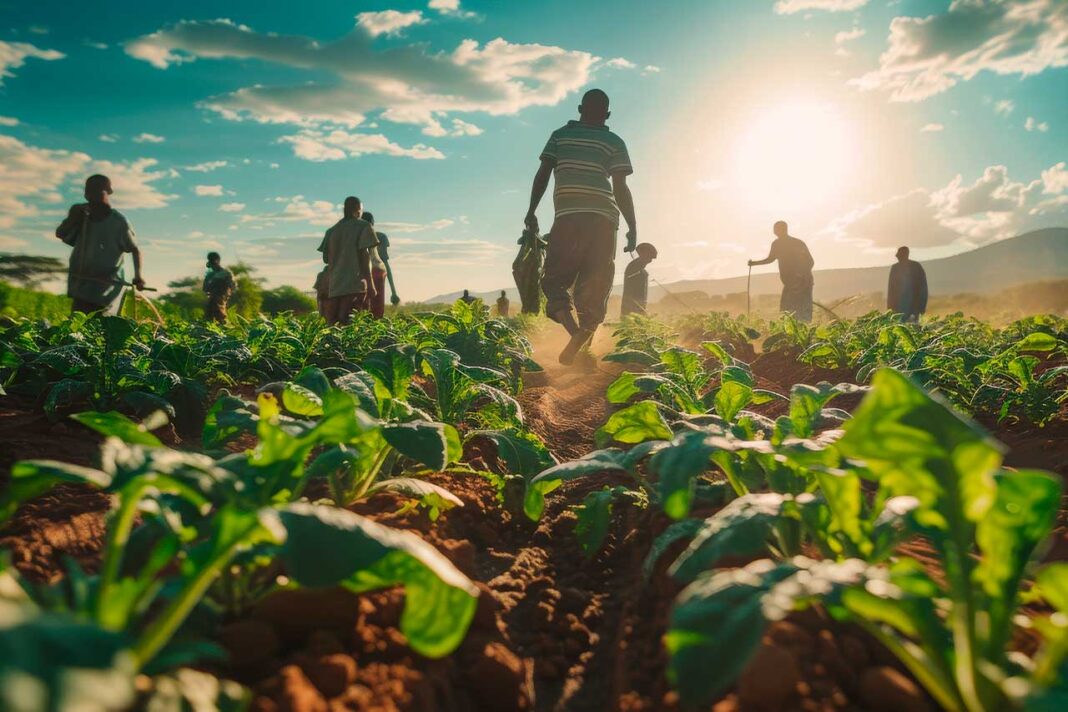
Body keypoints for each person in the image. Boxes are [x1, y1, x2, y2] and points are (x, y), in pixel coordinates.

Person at [525, 88, 637, 365]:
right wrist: (633, 226)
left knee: (553, 282)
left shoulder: (560, 135)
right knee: (596, 285)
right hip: (603, 219)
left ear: (579, 109)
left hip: (569, 217)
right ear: (607, 114)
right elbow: (621, 188)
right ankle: (582, 340)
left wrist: (531, 211)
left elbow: (543, 174)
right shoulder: (614, 141)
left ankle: (575, 335)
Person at [55, 174, 145, 314]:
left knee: (98, 323)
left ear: (108, 192)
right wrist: (73, 217)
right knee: (78, 324)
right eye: (89, 191)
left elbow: (134, 249)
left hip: (106, 286)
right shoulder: (81, 217)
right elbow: (61, 233)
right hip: (82, 283)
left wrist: (138, 276)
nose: (92, 196)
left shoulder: (118, 222)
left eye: (97, 191)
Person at [317, 196, 378, 326]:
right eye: (361, 210)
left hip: (334, 285)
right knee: (350, 322)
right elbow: (364, 255)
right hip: (355, 284)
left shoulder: (332, 231)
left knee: (333, 323)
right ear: (357, 209)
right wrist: (371, 284)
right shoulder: (363, 226)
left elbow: (325, 258)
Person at [748, 221, 814, 322]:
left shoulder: (796, 243)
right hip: (791, 283)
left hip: (803, 283)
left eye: (776, 229)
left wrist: (800, 275)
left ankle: (802, 334)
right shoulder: (778, 244)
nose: (774, 231)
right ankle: (793, 334)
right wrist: (754, 264)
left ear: (780, 230)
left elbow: (810, 262)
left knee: (798, 310)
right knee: (788, 311)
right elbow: (770, 259)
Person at [359, 212, 400, 318]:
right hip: (376, 272)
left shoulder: (354, 238)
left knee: (361, 310)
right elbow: (385, 263)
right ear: (372, 223)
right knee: (376, 311)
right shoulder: (380, 237)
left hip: (361, 274)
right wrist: (393, 292)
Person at [887, 246, 928, 322]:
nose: (896, 256)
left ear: (904, 255)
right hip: (898, 309)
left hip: (912, 308)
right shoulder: (895, 268)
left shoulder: (915, 267)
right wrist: (890, 310)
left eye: (898, 254)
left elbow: (923, 289)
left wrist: (921, 307)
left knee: (910, 330)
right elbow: (891, 291)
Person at [621, 243, 658, 317]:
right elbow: (632, 287)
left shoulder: (640, 268)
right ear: (643, 254)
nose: (650, 261)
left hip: (639, 304)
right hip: (632, 305)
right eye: (649, 258)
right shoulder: (634, 267)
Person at [202, 252, 235, 324]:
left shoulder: (225, 273)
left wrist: (226, 295)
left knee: (220, 317)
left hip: (220, 298)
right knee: (208, 317)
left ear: (218, 261)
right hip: (213, 298)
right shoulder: (210, 274)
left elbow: (232, 286)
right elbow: (205, 288)